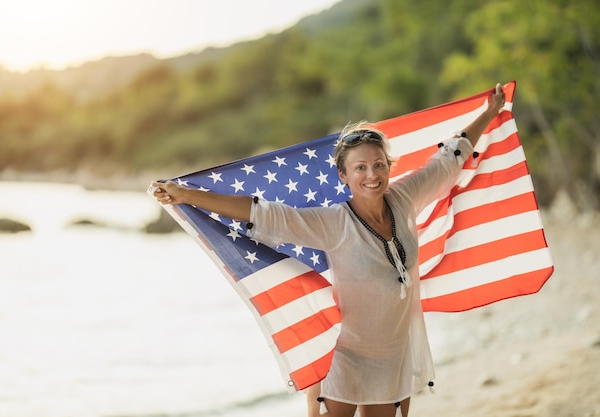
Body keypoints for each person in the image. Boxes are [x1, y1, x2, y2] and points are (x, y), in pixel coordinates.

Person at [152, 83, 506, 417]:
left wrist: (489, 112)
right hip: (342, 356)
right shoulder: (333, 223)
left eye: (379, 164)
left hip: (393, 354)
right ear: (343, 175)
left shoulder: (403, 198)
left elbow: (449, 159)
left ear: (388, 166)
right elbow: (263, 214)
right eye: (361, 167)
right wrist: (186, 195)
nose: (372, 175)